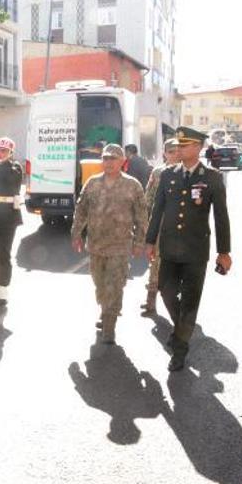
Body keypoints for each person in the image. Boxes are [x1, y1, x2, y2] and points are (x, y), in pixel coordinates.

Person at [145, 127, 232, 372]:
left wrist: (224, 251)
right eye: (178, 146)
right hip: (170, 247)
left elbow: (221, 217)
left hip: (195, 250)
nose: (179, 150)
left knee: (191, 301)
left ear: (198, 148)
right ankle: (181, 327)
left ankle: (180, 349)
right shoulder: (168, 175)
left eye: (184, 146)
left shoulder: (212, 177)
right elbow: (157, 211)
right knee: (165, 291)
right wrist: (150, 241)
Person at [71, 144, 147, 344]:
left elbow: (141, 216)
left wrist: (140, 241)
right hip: (96, 245)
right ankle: (105, 312)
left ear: (122, 161)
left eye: (113, 158)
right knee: (100, 284)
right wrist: (76, 234)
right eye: (105, 158)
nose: (109, 162)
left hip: (120, 246)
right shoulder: (92, 183)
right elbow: (81, 209)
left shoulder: (133, 185)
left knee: (115, 285)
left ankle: (109, 326)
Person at [140, 138, 181, 316]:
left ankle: (178, 304)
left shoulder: (187, 171)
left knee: (178, 264)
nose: (175, 155)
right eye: (171, 152)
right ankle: (150, 302)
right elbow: (148, 199)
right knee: (155, 262)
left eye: (178, 151)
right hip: (160, 225)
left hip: (180, 227)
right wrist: (144, 225)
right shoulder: (157, 172)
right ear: (164, 153)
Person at [0, 137, 24, 307]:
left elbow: (10, 179)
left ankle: (2, 288)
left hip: (7, 216)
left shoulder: (14, 168)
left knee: (3, 253)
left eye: (4, 150)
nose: (0, 153)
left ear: (10, 153)